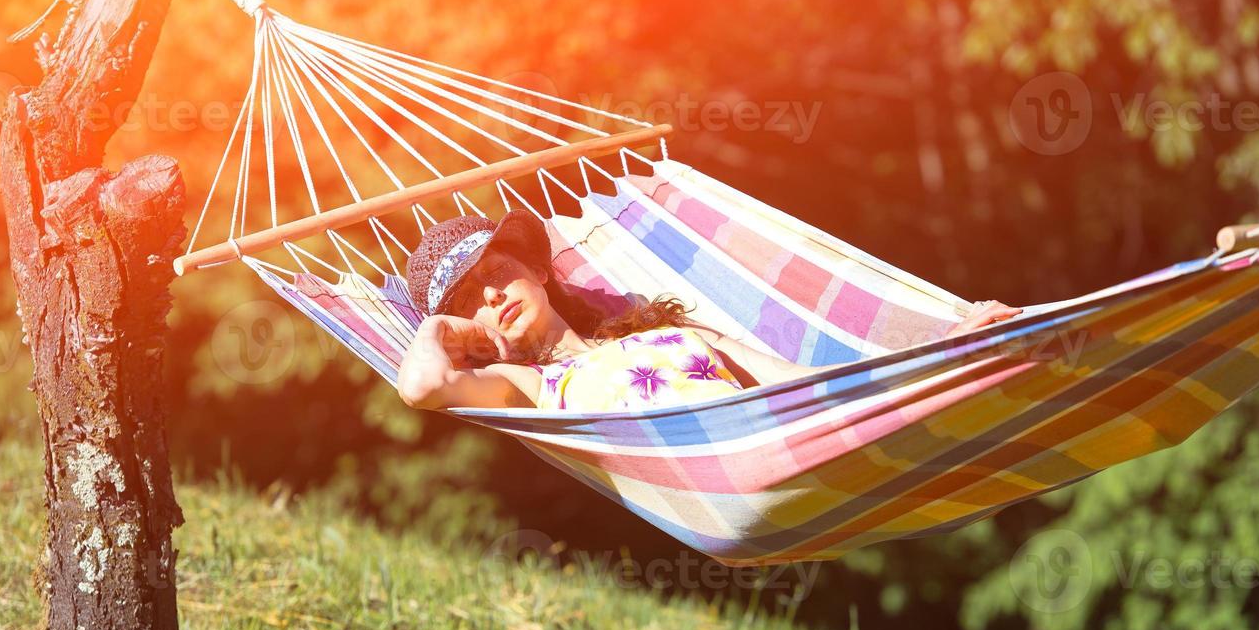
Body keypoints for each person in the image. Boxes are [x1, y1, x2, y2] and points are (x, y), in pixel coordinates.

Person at [396, 210, 1022, 412]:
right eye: (469, 299)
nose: (493, 295)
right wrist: (435, 327)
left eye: (499, 273)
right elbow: (424, 386)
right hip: (715, 479)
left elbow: (798, 384)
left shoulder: (659, 326)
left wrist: (943, 353)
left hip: (790, 434)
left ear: (536, 270)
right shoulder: (527, 384)